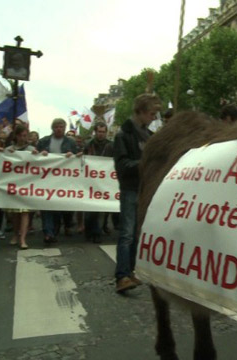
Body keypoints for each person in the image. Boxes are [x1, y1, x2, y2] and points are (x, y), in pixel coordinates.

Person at [113, 93, 161, 293]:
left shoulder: (148, 135)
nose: (153, 117)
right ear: (140, 112)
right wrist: (145, 164)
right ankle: (122, 276)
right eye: (151, 113)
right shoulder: (123, 135)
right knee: (126, 233)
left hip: (144, 189)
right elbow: (122, 165)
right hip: (130, 189)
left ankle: (130, 271)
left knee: (136, 233)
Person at [36, 118, 80, 243]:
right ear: (52, 128)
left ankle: (61, 226)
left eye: (61, 126)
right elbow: (34, 157)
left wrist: (73, 155)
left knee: (62, 206)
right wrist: (40, 154)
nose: (59, 129)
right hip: (47, 179)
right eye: (56, 127)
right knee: (47, 205)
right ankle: (48, 233)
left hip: (64, 180)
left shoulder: (70, 142)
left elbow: (77, 157)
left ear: (64, 128)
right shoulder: (44, 141)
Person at [2, 125, 36, 249]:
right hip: (14, 184)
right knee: (15, 213)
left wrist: (38, 155)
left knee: (25, 212)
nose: (24, 138)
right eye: (22, 135)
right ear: (16, 136)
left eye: (25, 135)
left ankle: (23, 238)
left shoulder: (31, 149)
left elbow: (38, 163)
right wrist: (6, 154)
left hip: (26, 184)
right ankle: (15, 234)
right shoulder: (9, 149)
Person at [83, 121, 114, 243]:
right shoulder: (88, 145)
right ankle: (92, 231)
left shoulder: (112, 145)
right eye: (99, 132)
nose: (101, 134)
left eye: (103, 132)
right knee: (91, 208)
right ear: (95, 132)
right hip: (91, 180)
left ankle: (98, 230)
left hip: (105, 180)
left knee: (103, 208)